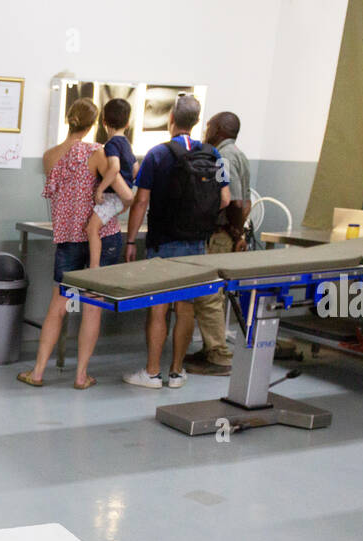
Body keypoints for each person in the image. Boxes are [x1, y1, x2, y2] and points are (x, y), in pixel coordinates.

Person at [122, 94, 229, 389]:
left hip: (163, 242)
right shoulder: (214, 155)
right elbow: (225, 198)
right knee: (186, 307)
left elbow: (141, 201)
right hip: (197, 246)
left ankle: (153, 373)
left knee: (159, 307)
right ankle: (177, 372)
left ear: (171, 119)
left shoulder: (156, 154)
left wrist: (131, 241)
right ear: (196, 123)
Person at [18, 98, 125, 390]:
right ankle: (81, 376)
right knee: (93, 307)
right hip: (99, 239)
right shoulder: (97, 153)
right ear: (95, 124)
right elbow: (123, 194)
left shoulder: (49, 156)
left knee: (58, 306)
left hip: (67, 238)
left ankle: (38, 372)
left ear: (68, 120)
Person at [185, 110, 251, 375]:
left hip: (221, 233)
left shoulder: (222, 156)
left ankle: (219, 355)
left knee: (208, 295)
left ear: (220, 129)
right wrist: (241, 233)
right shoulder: (239, 154)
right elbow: (245, 201)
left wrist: (234, 232)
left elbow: (233, 201)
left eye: (209, 126)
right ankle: (211, 348)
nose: (206, 131)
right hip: (232, 232)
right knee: (215, 295)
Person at [85, 98, 137, 270]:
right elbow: (136, 168)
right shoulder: (126, 144)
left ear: (104, 121)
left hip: (112, 195)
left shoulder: (112, 144)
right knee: (94, 227)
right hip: (120, 198)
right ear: (128, 123)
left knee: (92, 229)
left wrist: (100, 189)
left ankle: (94, 267)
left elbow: (114, 167)